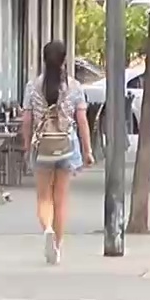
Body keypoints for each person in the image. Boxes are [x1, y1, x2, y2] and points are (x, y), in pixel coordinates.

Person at [21, 39, 93, 265]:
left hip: (42, 146)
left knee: (43, 197)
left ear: (44, 59)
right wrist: (88, 151)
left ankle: (48, 230)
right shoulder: (74, 88)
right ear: (64, 60)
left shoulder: (33, 87)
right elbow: (82, 121)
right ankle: (58, 247)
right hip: (66, 146)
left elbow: (27, 119)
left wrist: (26, 147)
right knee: (60, 199)